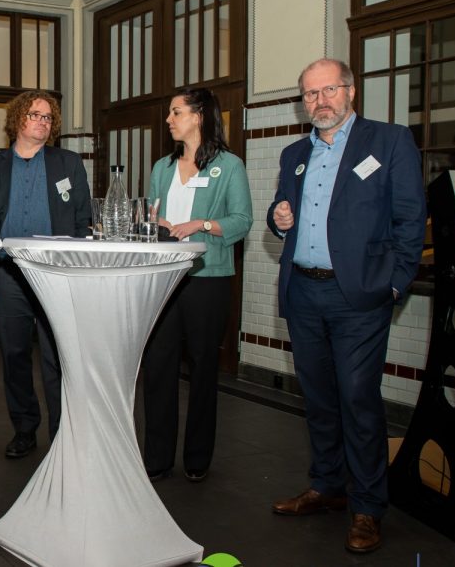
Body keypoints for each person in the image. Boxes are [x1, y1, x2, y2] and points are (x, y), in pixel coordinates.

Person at [267, 58, 425, 554]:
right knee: (318, 400)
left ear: (350, 91)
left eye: (328, 90)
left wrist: (395, 284)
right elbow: (281, 218)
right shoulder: (294, 152)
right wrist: (279, 218)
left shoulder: (388, 141)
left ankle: (367, 507)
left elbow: (410, 220)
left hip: (359, 297)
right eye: (310, 94)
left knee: (358, 399)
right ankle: (328, 486)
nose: (320, 101)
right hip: (304, 292)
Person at [0, 90, 91, 459]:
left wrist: (77, 267)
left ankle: (61, 434)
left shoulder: (68, 163)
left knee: (56, 357)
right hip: (8, 274)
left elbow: (82, 219)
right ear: (18, 119)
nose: (42, 122)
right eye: (35, 115)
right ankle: (24, 428)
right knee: (15, 355)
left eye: (48, 117)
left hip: (55, 272)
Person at [141, 88, 252, 484]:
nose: (169, 120)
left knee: (204, 367)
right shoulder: (162, 168)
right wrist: (157, 225)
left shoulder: (229, 166)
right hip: (165, 279)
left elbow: (242, 221)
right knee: (158, 367)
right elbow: (150, 214)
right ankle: (156, 457)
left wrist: (202, 225)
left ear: (199, 115)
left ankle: (197, 458)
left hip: (208, 280)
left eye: (176, 112)